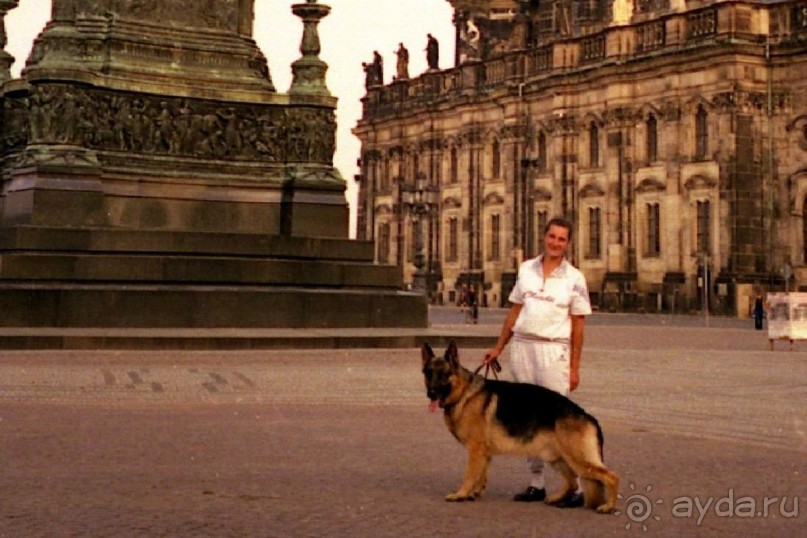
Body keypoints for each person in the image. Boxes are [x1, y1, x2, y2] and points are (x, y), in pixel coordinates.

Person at [482, 217, 592, 507]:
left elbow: (578, 325)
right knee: (527, 420)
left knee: (559, 421)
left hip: (553, 351)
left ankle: (577, 486)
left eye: (561, 239)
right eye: (552, 237)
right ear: (544, 237)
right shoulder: (526, 269)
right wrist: (498, 347)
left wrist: (574, 367)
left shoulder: (575, 278)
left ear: (568, 243)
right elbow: (514, 312)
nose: (555, 243)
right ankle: (537, 483)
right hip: (523, 348)